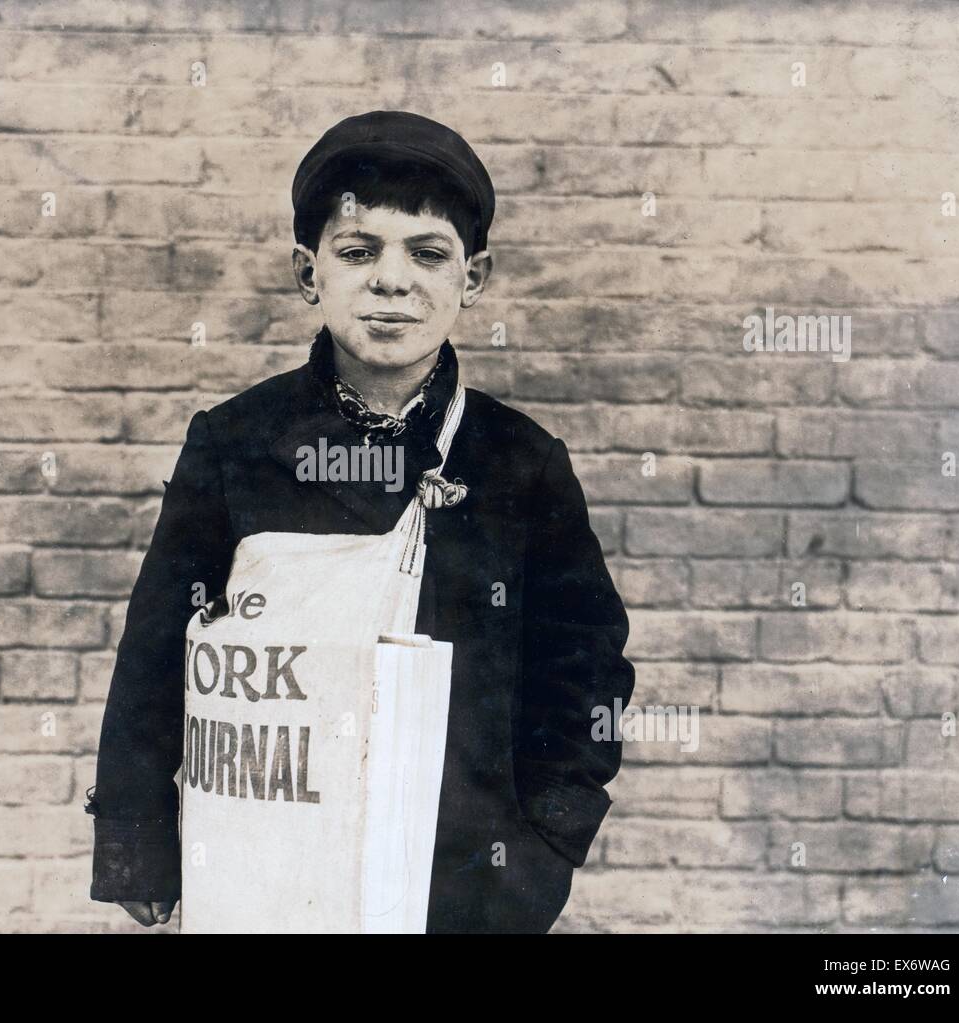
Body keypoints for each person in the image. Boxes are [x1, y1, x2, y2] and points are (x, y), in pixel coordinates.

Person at [86, 109, 635, 933]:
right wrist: (136, 836)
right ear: (310, 274)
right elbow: (156, 653)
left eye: (427, 253)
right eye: (358, 251)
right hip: (267, 866)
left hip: (456, 877)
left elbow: (585, 668)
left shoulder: (519, 463)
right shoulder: (236, 444)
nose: (391, 280)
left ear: (472, 278)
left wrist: (542, 846)